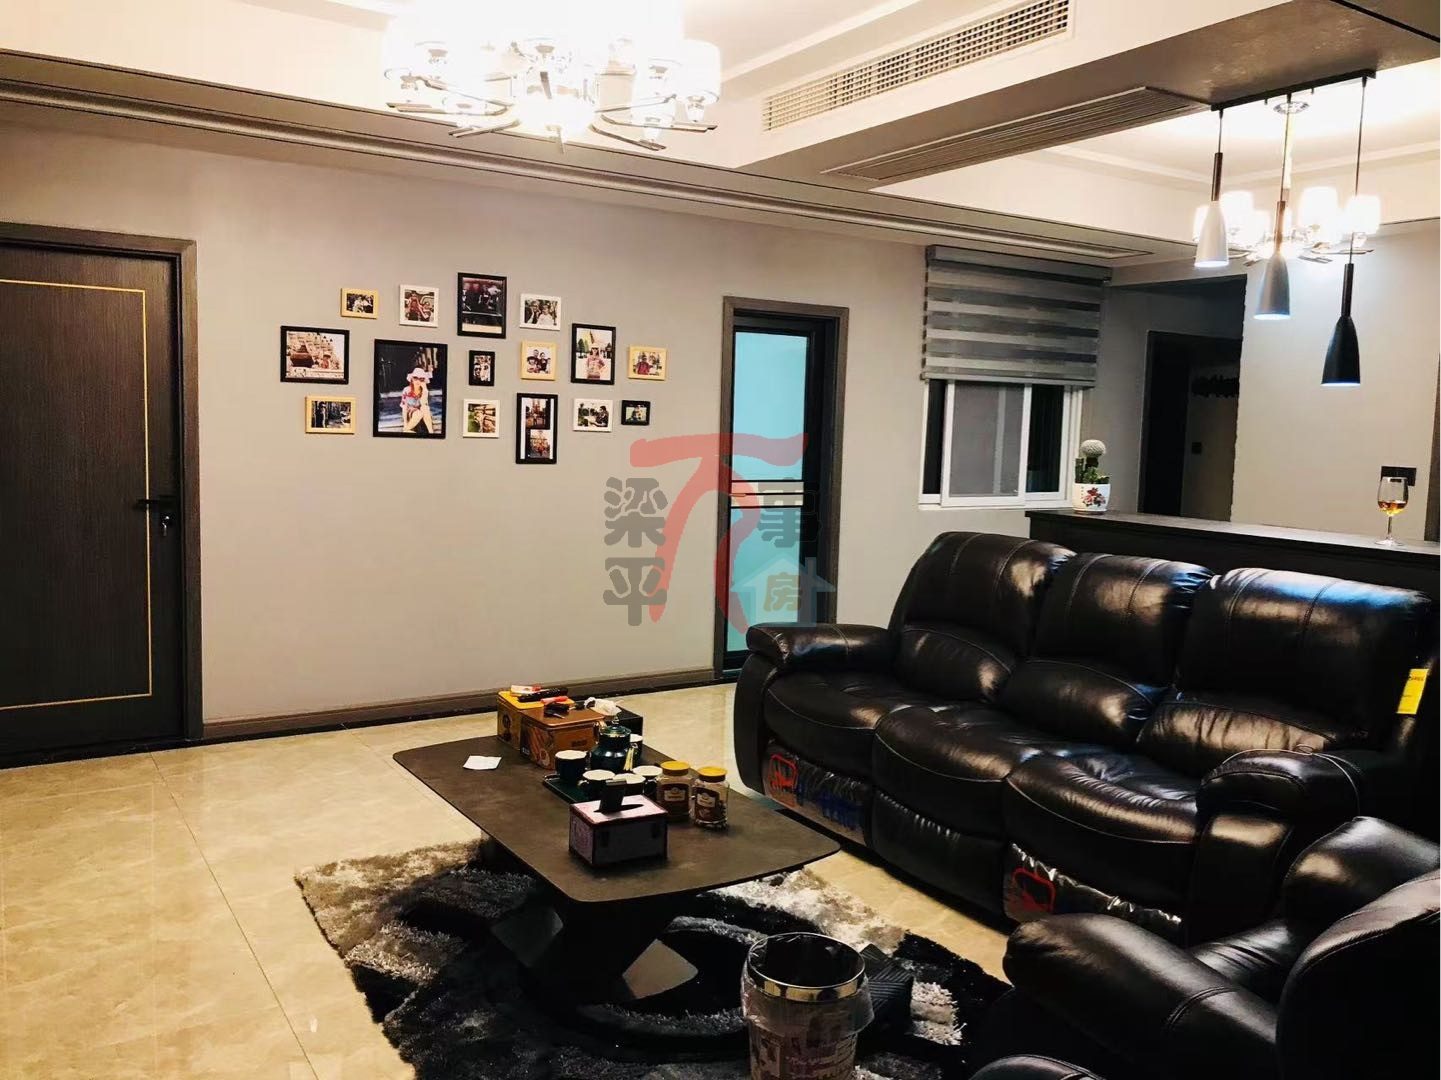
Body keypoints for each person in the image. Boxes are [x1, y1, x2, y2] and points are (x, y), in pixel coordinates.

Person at [400, 365, 435, 434]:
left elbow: (423, 403)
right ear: (412, 379)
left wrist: (425, 389)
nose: (418, 381)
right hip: (411, 413)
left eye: (421, 379)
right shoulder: (406, 390)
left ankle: (431, 432)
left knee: (425, 408)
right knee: (418, 413)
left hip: (423, 415)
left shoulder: (424, 391)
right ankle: (406, 429)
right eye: (415, 378)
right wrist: (405, 423)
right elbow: (404, 407)